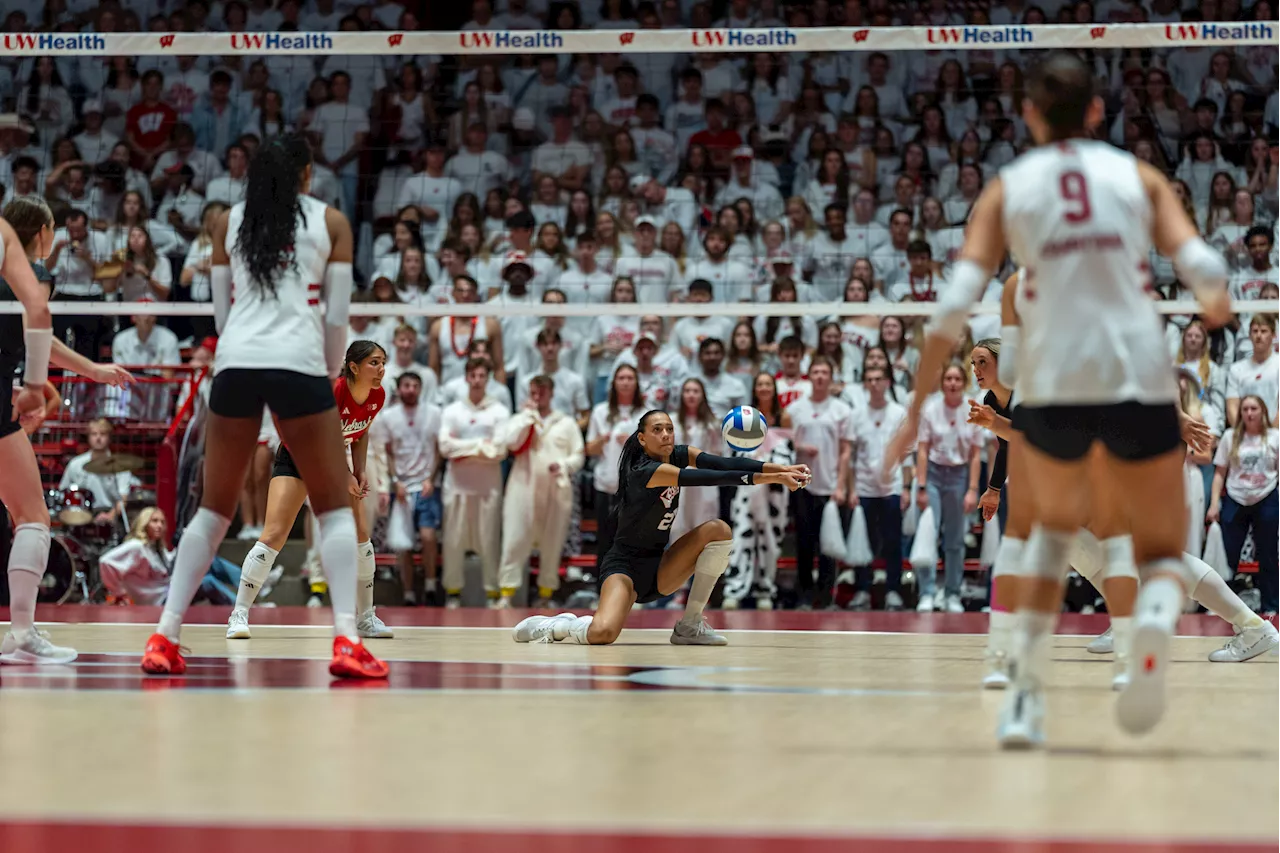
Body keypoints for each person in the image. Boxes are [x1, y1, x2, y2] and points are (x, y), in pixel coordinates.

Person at [888, 53, 1232, 746]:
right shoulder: (1138, 176)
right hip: (1136, 376)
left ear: (1031, 115)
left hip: (1051, 389)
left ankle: (1023, 699)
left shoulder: (1010, 188)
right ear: (1099, 112)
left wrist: (912, 411)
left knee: (1043, 541)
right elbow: (1207, 270)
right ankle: (1148, 634)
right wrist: (1216, 305)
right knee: (1160, 546)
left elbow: (950, 310)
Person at [139, 133, 389, 679]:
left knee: (213, 510)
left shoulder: (227, 221)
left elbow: (222, 314)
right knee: (334, 508)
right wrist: (325, 377)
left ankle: (165, 634)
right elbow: (337, 322)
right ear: (305, 175)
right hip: (298, 363)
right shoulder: (332, 223)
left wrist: (239, 354)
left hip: (235, 363)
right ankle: (347, 639)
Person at [512, 410, 811, 645]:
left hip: (659, 567)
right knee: (603, 633)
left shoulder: (677, 454)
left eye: (669, 428)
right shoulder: (646, 470)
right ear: (642, 439)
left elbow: (720, 464)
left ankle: (690, 625)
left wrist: (783, 469)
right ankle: (559, 625)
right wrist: (775, 477)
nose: (666, 434)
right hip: (624, 568)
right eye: (657, 430)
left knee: (718, 529)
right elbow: (709, 478)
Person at [0, 195, 132, 664]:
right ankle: (21, 634)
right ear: (41, 233)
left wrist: (92, 371)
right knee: (33, 515)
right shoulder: (33, 276)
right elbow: (37, 321)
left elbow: (40, 336)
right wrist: (35, 387)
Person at [226, 340, 392, 639]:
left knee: (361, 537)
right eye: (374, 363)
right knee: (274, 534)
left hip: (333, 460)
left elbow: (360, 432)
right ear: (353, 367)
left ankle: (366, 618)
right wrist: (345, 475)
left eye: (383, 362)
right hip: (300, 455)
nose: (381, 369)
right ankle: (238, 614)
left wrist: (360, 470)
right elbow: (319, 441)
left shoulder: (377, 396)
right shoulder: (332, 393)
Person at [499, 375, 585, 608]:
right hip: (522, 487)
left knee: (552, 541)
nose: (538, 397)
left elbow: (579, 455)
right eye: (534, 392)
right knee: (514, 539)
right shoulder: (520, 419)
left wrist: (565, 465)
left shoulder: (566, 423)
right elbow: (511, 444)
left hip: (555, 489)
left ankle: (546, 594)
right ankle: (506, 594)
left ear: (552, 393)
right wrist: (527, 418)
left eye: (543, 392)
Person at [439, 356, 510, 608]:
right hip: (456, 487)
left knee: (489, 542)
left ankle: (492, 592)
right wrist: (481, 446)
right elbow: (444, 446)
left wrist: (463, 450)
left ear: (488, 379)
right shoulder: (452, 411)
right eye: (473, 376)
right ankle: (453, 592)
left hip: (487, 487)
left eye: (482, 376)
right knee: (453, 541)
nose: (478, 381)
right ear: (466, 377)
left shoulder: (499, 411)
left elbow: (500, 450)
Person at [789, 356, 855, 610]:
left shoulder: (841, 410)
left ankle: (826, 595)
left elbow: (846, 450)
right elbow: (784, 443)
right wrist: (801, 447)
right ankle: (804, 593)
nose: (819, 376)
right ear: (809, 375)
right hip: (802, 485)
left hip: (830, 485)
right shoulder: (795, 409)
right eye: (815, 372)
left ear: (830, 377)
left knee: (829, 543)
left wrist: (841, 486)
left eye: (824, 372)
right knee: (804, 542)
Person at [845, 365, 910, 611]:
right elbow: (850, 456)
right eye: (869, 379)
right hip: (864, 488)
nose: (874, 383)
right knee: (865, 540)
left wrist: (905, 486)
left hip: (891, 487)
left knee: (893, 541)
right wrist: (852, 489)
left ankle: (893, 590)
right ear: (865, 384)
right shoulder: (856, 415)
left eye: (878, 379)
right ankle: (862, 589)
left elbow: (906, 453)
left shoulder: (898, 413)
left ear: (887, 383)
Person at [1207, 395, 1280, 615]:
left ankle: (1271, 605)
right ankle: (1220, 606)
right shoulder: (1231, 437)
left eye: (1254, 408)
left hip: (1265, 497)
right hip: (1235, 498)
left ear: (1263, 411)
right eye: (1245, 409)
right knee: (1228, 555)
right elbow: (1219, 473)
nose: (1249, 413)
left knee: (1267, 554)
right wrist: (1213, 505)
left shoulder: (1275, 436)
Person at [377, 370, 442, 606]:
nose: (411, 389)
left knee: (428, 536)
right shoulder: (389, 416)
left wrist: (431, 478)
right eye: (406, 385)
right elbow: (388, 452)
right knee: (403, 544)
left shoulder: (434, 413)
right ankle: (408, 593)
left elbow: (438, 449)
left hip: (426, 485)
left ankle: (431, 586)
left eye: (415, 385)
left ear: (421, 388)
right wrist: (395, 480)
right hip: (401, 487)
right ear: (399, 388)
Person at [99, 507, 244, 606]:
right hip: (160, 600)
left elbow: (168, 564)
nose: (159, 526)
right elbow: (105, 562)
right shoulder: (136, 546)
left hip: (168, 590)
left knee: (211, 561)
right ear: (144, 523)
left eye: (162, 522)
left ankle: (251, 587)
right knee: (207, 583)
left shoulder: (154, 547)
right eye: (154, 521)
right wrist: (119, 592)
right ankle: (242, 610)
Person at [58, 418, 143, 529]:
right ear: (88, 437)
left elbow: (123, 499)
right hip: (80, 515)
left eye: (102, 434)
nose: (98, 438)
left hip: (109, 515)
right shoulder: (75, 464)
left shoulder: (121, 466)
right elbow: (63, 491)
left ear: (109, 438)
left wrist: (110, 515)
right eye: (94, 434)